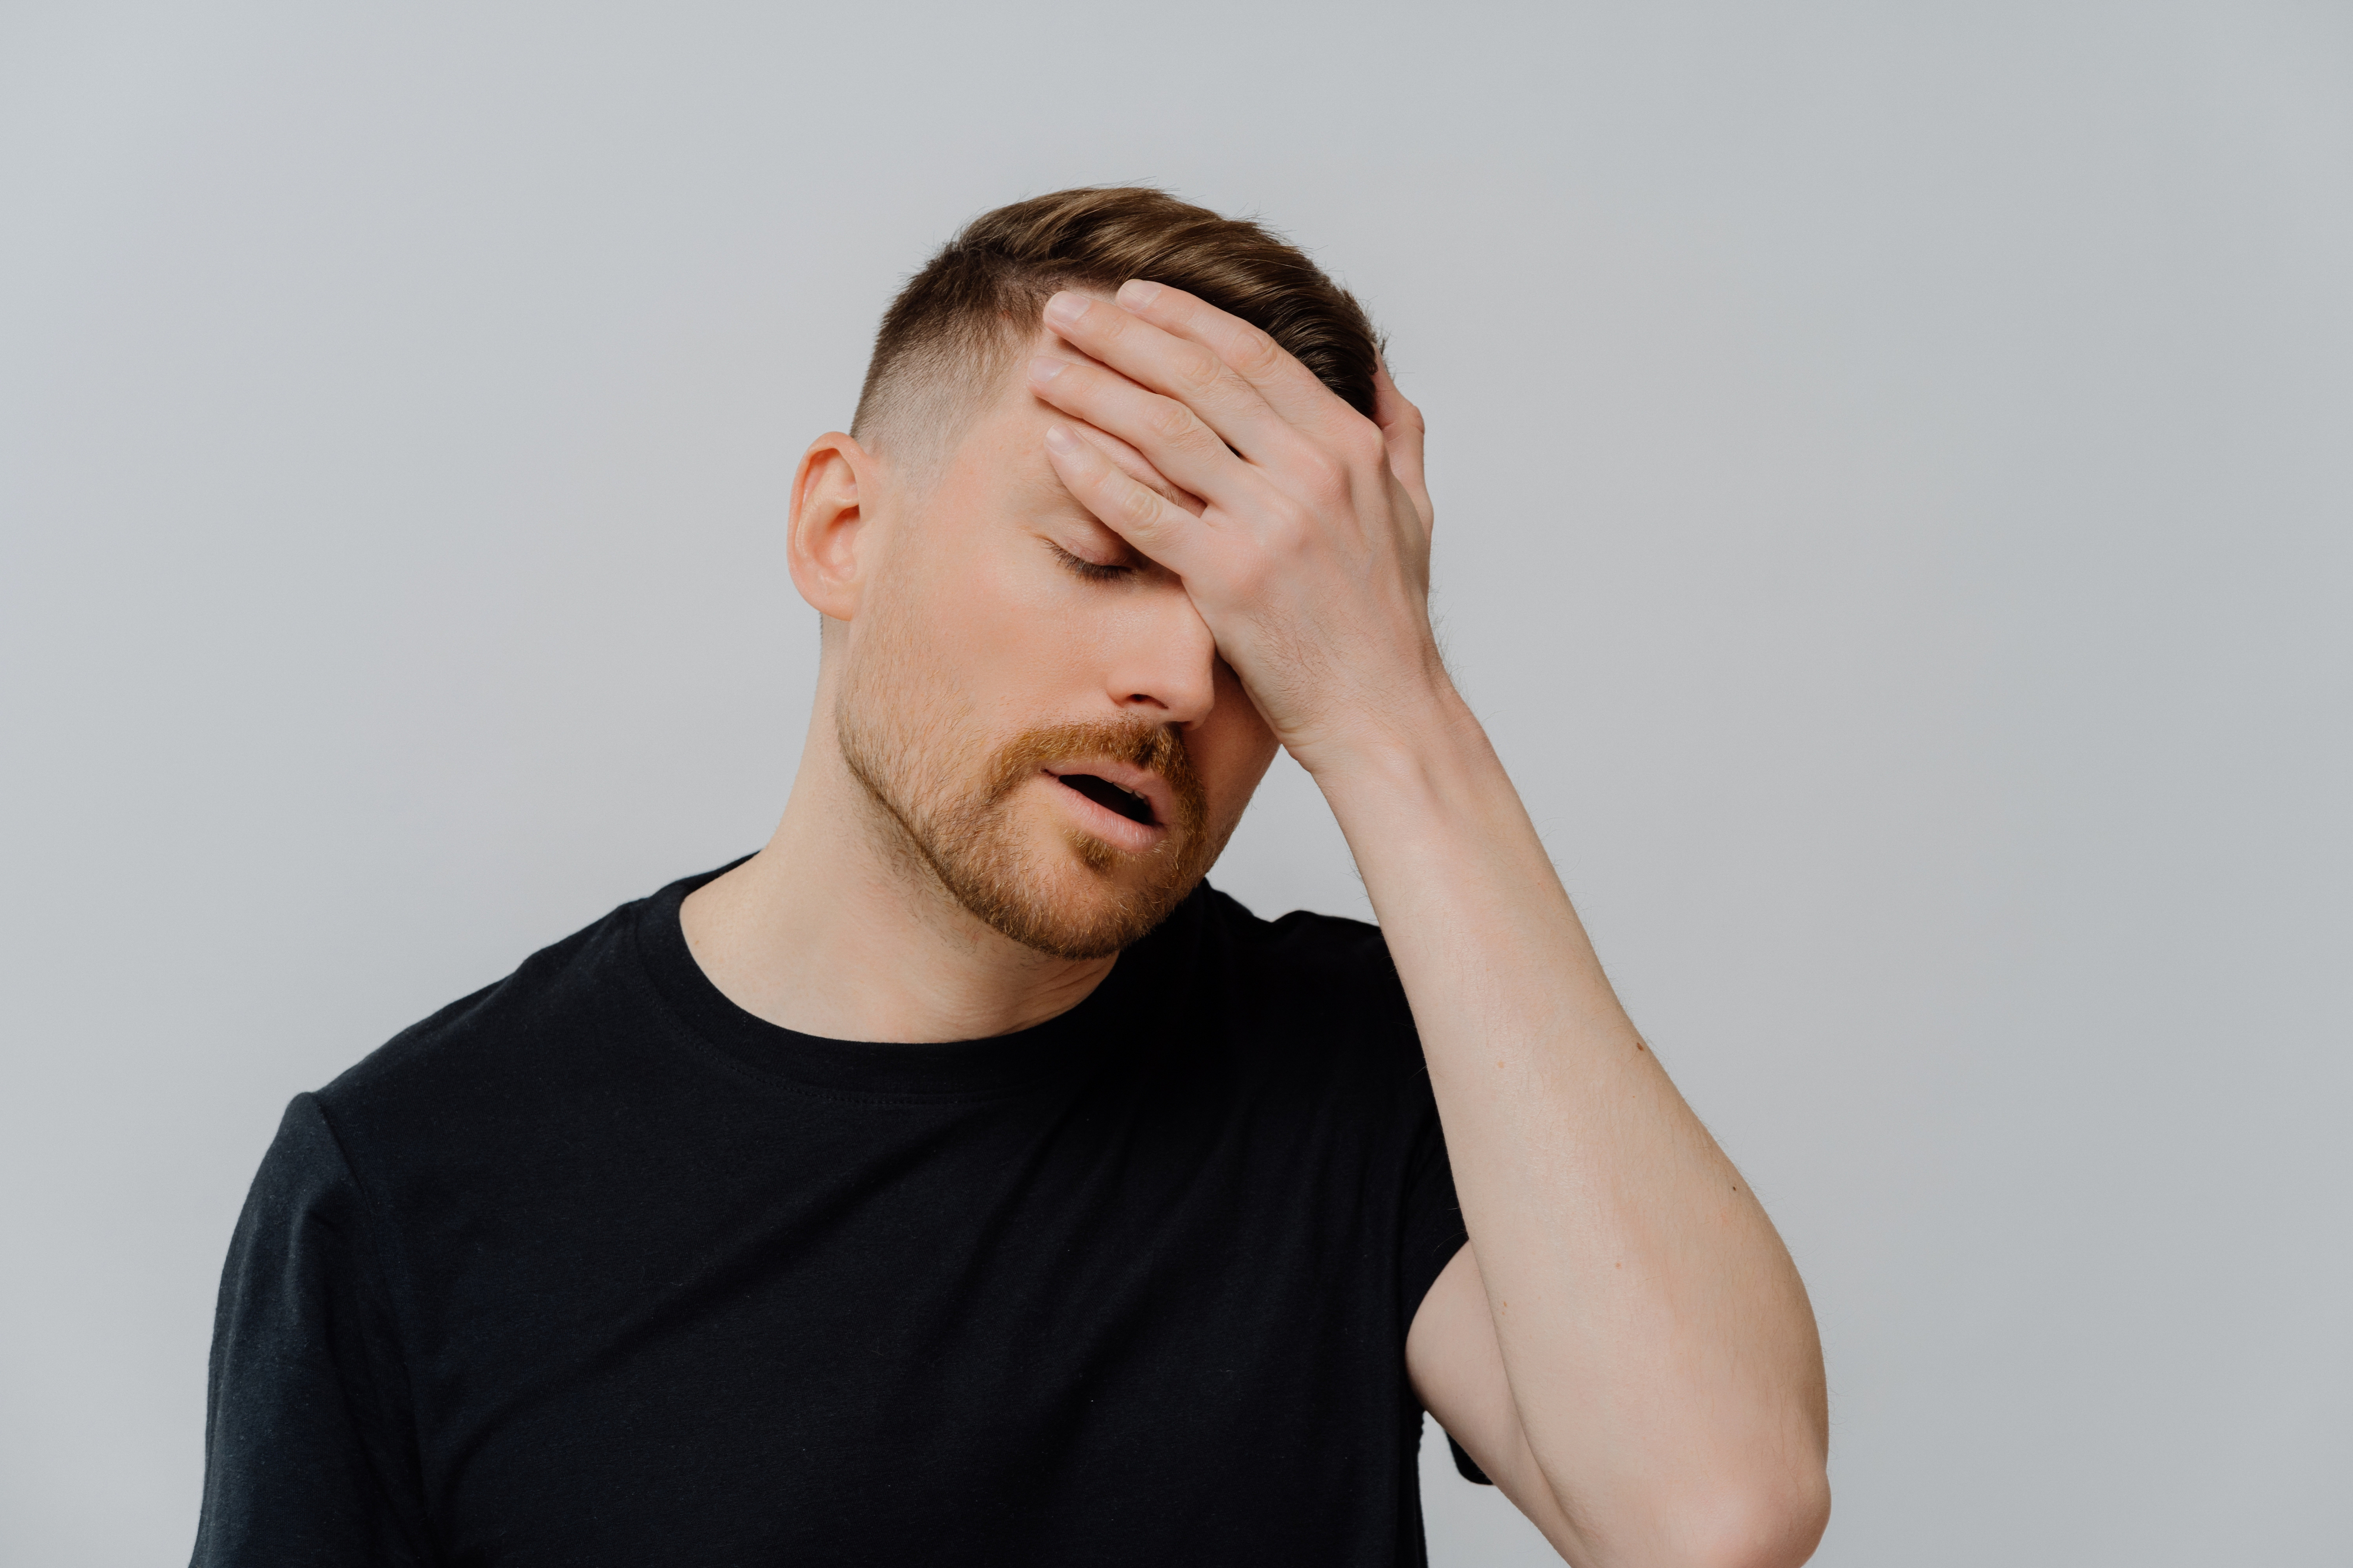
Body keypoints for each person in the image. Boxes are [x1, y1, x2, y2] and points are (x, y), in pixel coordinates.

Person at [193, 186, 1830, 1568]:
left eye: (1263, 622)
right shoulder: (407, 1179)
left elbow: (1714, 1512)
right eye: (1104, 554)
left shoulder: (1360, 1074)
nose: (1186, 679)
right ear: (844, 527)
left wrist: (1394, 711)